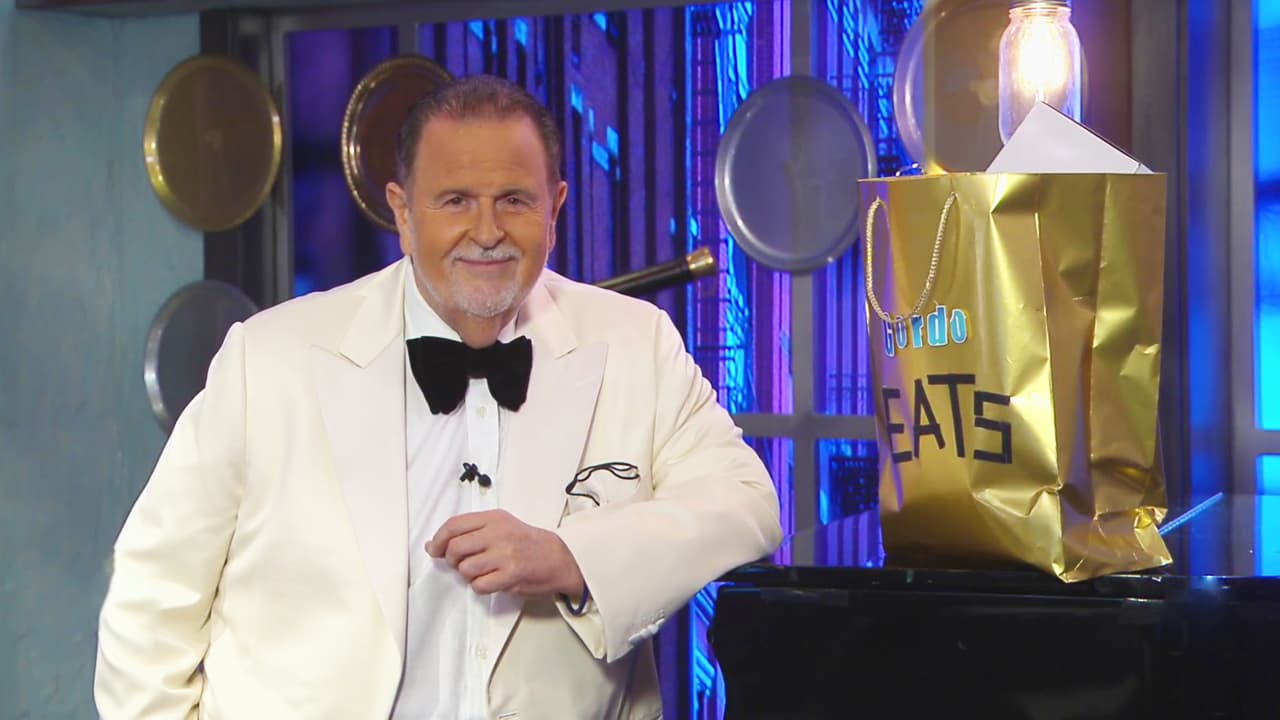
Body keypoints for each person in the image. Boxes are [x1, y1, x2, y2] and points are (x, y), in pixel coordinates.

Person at [94, 74, 781, 719]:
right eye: (455, 201)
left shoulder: (636, 343)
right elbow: (153, 594)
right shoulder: (269, 358)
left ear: (555, 209)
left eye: (514, 200)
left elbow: (746, 504)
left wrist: (573, 557)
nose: (486, 232)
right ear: (402, 212)